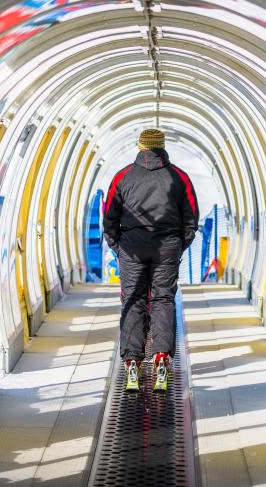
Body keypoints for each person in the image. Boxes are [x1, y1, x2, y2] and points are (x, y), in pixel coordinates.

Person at [103, 128, 199, 391]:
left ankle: (133, 363)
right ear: (162, 146)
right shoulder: (180, 177)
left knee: (133, 299)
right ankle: (161, 359)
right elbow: (191, 218)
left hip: (132, 247)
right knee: (163, 299)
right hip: (167, 246)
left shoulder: (122, 177)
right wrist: (179, 245)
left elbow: (109, 217)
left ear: (140, 146)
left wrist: (118, 246)